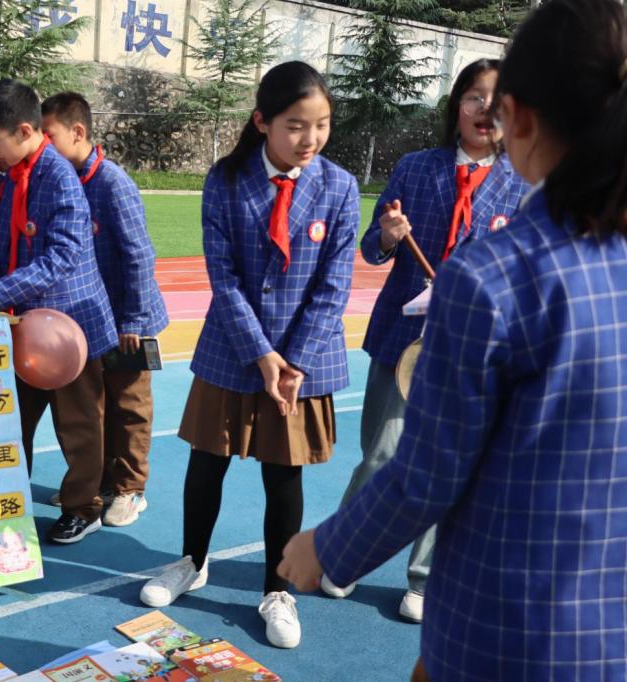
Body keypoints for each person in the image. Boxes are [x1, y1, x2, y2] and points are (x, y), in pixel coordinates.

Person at [279, 1, 627, 679]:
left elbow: (429, 473)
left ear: (516, 118)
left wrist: (326, 548)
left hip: (503, 626)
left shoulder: (493, 277)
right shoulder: (429, 175)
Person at [137, 62, 359, 649]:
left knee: (283, 474)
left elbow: (334, 286)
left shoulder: (339, 187)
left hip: (303, 358)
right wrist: (261, 353)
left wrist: (294, 360)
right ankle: (192, 561)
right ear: (262, 122)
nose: (310, 138)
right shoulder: (227, 178)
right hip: (233, 348)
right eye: (295, 125)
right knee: (206, 460)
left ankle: (277, 589)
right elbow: (224, 275)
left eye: (321, 124)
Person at [320, 59, 529, 623]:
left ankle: (424, 578)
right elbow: (371, 248)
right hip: (403, 340)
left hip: (473, 351)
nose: (485, 110)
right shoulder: (415, 168)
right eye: (475, 97)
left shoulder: (523, 184)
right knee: (382, 456)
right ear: (456, 105)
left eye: (498, 101)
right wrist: (388, 236)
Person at [0, 79, 118, 545]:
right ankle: (9, 496)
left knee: (78, 424)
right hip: (26, 322)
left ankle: (83, 507)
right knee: (14, 418)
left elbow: (61, 257)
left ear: (26, 131)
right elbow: (11, 235)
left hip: (69, 326)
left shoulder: (59, 178)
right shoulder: (18, 173)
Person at [41, 91, 169, 527]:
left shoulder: (112, 183)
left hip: (127, 317)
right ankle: (97, 483)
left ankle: (130, 489)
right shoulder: (59, 180)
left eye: (49, 135)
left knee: (129, 404)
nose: (42, 144)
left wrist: (134, 319)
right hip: (87, 319)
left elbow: (140, 255)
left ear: (78, 132)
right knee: (92, 407)